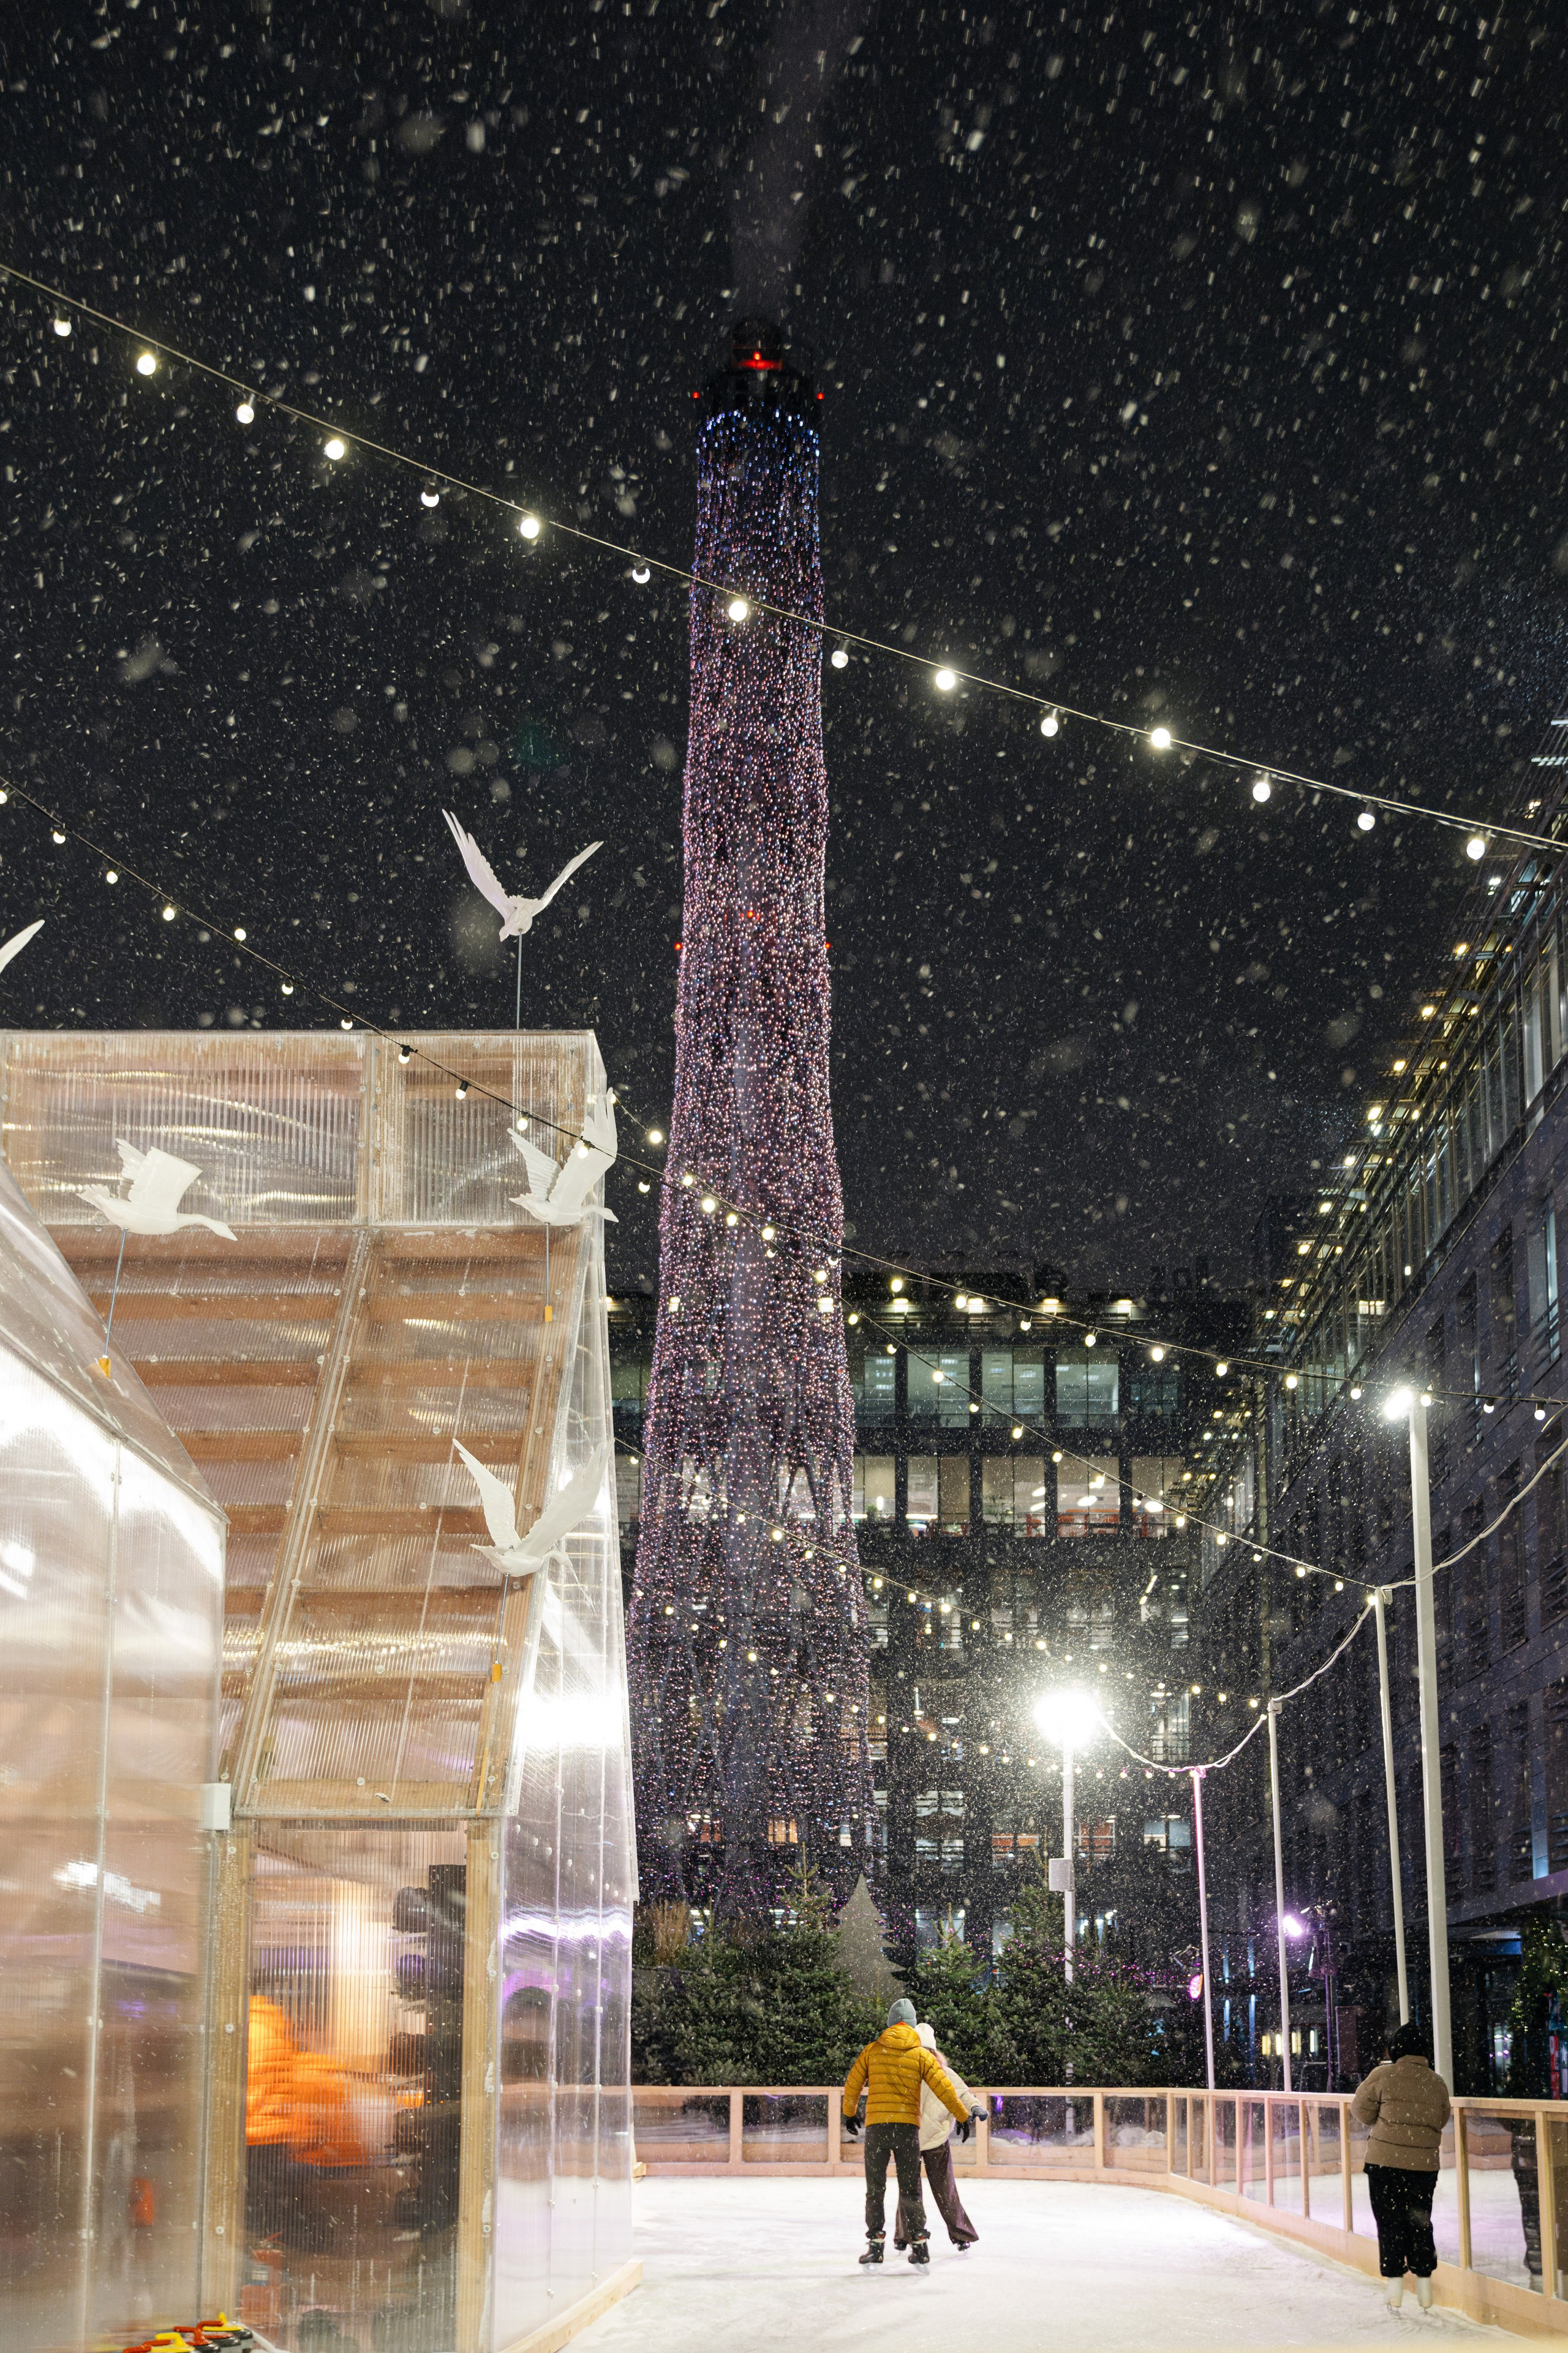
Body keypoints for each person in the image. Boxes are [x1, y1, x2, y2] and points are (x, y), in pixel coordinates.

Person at [842, 1997, 970, 2267]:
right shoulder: (922, 2055)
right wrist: (962, 2115)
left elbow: (853, 2083)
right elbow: (944, 2087)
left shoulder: (872, 2051)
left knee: (875, 2190)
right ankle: (921, 2247)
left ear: (889, 2024)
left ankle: (876, 2246)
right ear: (912, 2027)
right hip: (906, 2130)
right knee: (910, 2189)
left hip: (878, 2128)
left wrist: (850, 2113)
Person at [1351, 2020, 1452, 2310]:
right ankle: (1424, 2284)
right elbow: (1440, 2119)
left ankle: (1394, 2283)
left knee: (1390, 2221)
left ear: (1396, 2049)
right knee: (1420, 2221)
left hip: (1384, 2164)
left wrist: (1385, 2120)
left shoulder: (1383, 2075)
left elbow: (1361, 2111)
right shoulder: (1437, 2082)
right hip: (1423, 2166)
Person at [910, 2020, 984, 2250]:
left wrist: (973, 2108)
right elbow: (964, 2095)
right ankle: (961, 2234)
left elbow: (964, 2096)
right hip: (935, 2140)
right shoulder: (944, 2072)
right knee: (945, 2190)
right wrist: (974, 2109)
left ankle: (906, 2235)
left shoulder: (906, 2071)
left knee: (910, 2191)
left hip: (910, 2138)